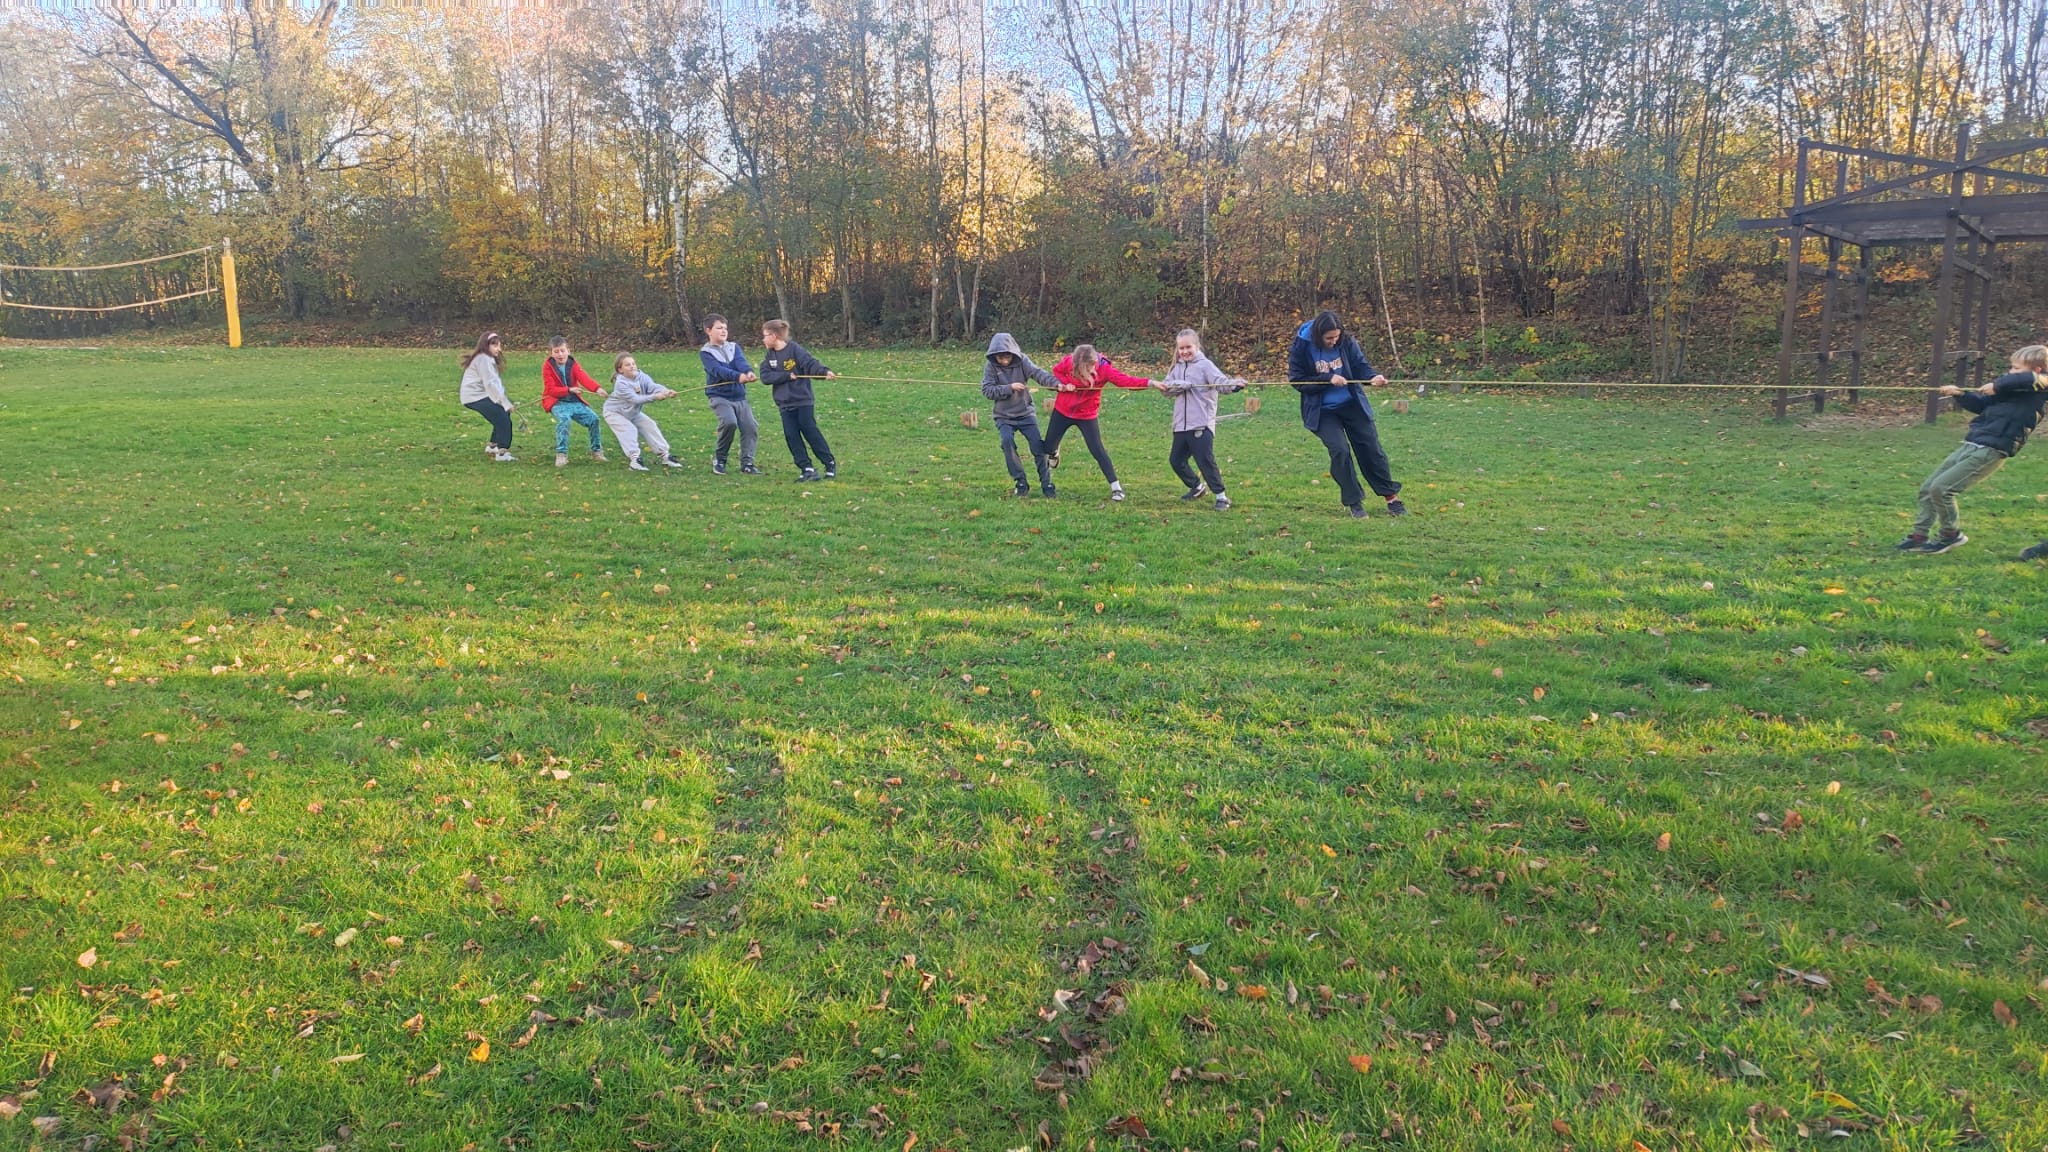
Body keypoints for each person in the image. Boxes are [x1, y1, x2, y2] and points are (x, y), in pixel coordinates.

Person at [1897, 345, 2048, 555]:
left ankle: (1950, 535)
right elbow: (1981, 405)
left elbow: (2027, 379)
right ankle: (1919, 536)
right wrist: (1960, 394)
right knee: (1928, 488)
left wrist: (1996, 385)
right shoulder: (2010, 388)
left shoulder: (2040, 386)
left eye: (2016, 368)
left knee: (1942, 489)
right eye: (2011, 367)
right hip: (1973, 443)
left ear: (2038, 369)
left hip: (1992, 449)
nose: (2010, 372)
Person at [1287, 310, 1407, 519]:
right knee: (1340, 451)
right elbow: (1298, 381)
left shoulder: (1346, 341)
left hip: (1352, 405)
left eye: (1336, 336)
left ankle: (1391, 497)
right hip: (1322, 411)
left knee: (1371, 448)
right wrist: (1327, 379)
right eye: (1329, 338)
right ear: (1318, 336)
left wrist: (1372, 378)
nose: (1333, 341)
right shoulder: (1301, 347)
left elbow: (1360, 366)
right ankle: (1354, 501)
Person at [1154, 328, 1245, 511]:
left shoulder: (1205, 365)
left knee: (1205, 461)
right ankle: (1197, 487)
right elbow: (1166, 389)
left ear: (1196, 346)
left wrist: (1234, 385)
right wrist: (1181, 385)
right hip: (1181, 424)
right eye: (1181, 348)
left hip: (1201, 424)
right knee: (1176, 460)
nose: (1185, 351)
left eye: (1188, 347)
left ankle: (1221, 497)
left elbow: (1220, 382)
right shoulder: (1177, 367)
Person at [1047, 343, 1151, 502]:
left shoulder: (1104, 369)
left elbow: (1125, 381)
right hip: (1063, 410)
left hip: (1086, 414)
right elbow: (1057, 371)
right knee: (1048, 447)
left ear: (1093, 364)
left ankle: (1116, 487)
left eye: (1085, 369)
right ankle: (1054, 452)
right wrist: (1065, 383)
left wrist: (1150, 383)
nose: (1082, 373)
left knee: (1097, 449)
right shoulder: (1069, 361)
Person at [757, 319, 838, 482]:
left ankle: (829, 463)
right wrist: (786, 376)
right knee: (791, 435)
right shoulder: (770, 355)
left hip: (802, 401)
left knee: (810, 431)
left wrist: (824, 372)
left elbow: (810, 364)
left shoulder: (794, 350)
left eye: (765, 336)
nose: (763, 339)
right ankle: (806, 468)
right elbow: (765, 377)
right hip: (784, 403)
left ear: (774, 336)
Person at [980, 332, 1059, 497]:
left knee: (1038, 447)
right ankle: (1020, 481)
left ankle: (1046, 483)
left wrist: (1056, 385)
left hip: (1025, 413)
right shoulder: (991, 366)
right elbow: (987, 390)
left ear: (1013, 354)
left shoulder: (1022, 361)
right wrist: (1009, 388)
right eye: (1000, 358)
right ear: (995, 356)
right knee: (1007, 442)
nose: (1004, 361)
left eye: (1007, 357)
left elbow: (1039, 374)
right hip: (1004, 416)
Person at [699, 314, 760, 475]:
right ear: (708, 330)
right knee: (729, 423)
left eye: (725, 328)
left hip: (739, 396)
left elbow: (740, 362)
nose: (723, 331)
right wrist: (737, 376)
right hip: (719, 397)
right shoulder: (706, 353)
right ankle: (720, 460)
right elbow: (717, 370)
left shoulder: (733, 347)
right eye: (719, 328)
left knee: (750, 427)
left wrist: (748, 372)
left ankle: (747, 463)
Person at [606, 353, 685, 472]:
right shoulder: (621, 383)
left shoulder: (641, 376)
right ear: (620, 370)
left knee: (650, 425)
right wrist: (655, 397)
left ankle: (665, 456)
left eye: (633, 364)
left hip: (632, 412)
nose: (632, 366)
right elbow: (635, 399)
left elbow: (652, 386)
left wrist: (666, 391)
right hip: (614, 413)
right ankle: (635, 460)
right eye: (627, 365)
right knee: (629, 430)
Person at [541, 335, 607, 468]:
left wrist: (597, 389)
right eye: (556, 351)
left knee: (594, 419)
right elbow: (551, 390)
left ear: (568, 351)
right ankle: (561, 454)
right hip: (557, 402)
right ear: (551, 353)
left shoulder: (573, 364)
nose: (560, 354)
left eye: (562, 350)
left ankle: (597, 451)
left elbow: (584, 378)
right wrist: (569, 390)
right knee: (564, 420)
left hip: (574, 401)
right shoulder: (547, 367)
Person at [459, 331, 516, 462]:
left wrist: (504, 402)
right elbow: (490, 384)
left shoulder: (487, 358)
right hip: (474, 396)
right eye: (495, 345)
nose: (498, 349)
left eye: (499, 345)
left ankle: (492, 446)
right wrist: (505, 403)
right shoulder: (483, 359)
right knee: (503, 420)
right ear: (486, 345)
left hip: (480, 394)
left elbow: (496, 383)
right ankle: (502, 453)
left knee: (503, 413)